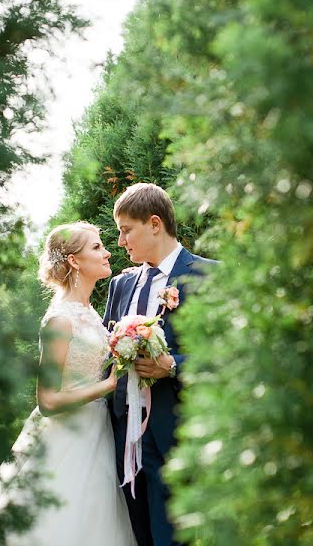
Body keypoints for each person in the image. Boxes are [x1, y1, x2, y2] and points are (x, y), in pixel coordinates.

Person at [0, 221, 137, 546]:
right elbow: (48, 401)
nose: (108, 252)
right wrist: (108, 386)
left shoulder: (91, 313)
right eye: (97, 247)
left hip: (98, 432)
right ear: (73, 260)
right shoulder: (60, 319)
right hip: (67, 438)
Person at [103, 183, 216, 546]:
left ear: (155, 224)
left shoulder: (208, 276)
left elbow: (230, 356)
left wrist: (174, 366)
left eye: (126, 230)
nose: (121, 242)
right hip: (125, 435)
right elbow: (107, 354)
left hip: (180, 428)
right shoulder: (121, 286)